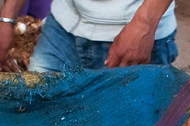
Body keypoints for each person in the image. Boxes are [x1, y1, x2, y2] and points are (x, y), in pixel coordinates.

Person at [0, 0, 177, 72]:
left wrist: (144, 23)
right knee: (38, 116)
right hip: (62, 23)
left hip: (129, 33)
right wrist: (7, 18)